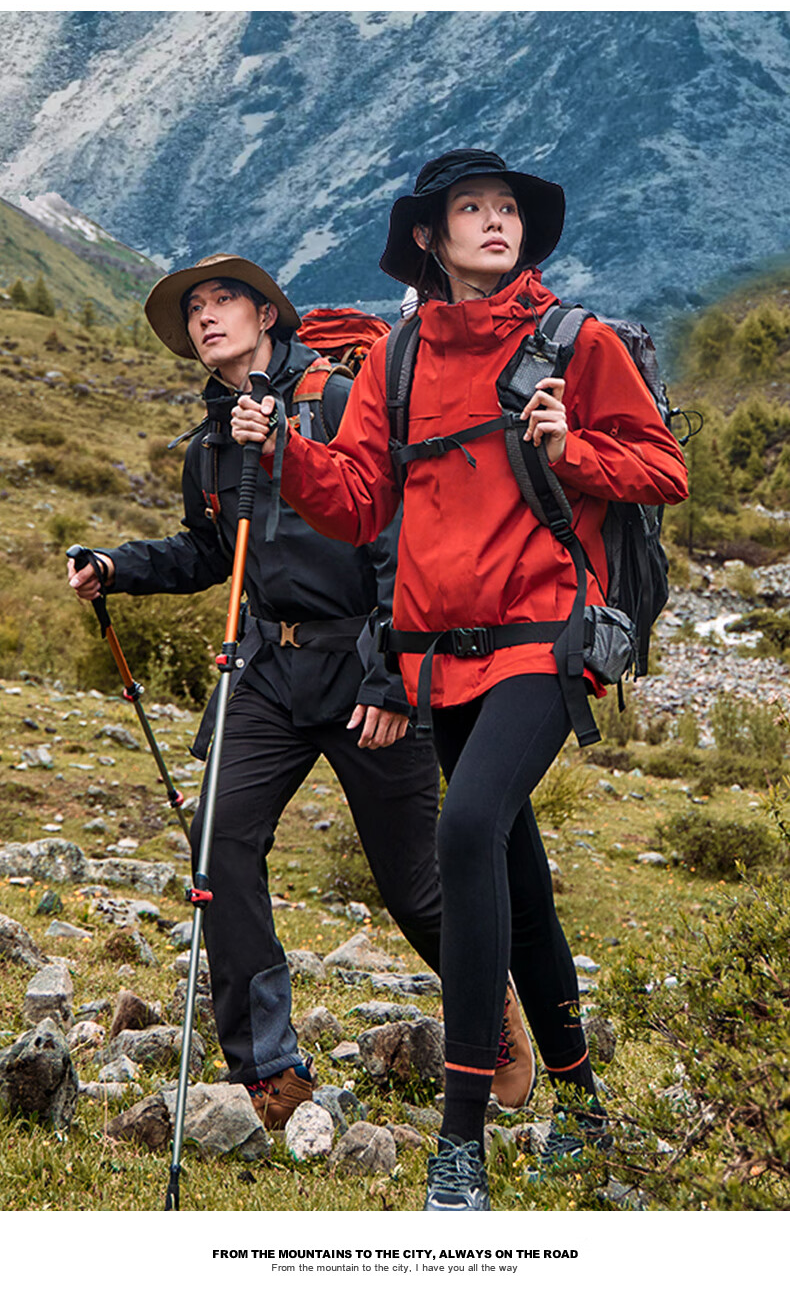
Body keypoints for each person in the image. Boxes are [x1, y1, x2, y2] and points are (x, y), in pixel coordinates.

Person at [230, 150, 689, 1209]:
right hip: (439, 658)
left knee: (465, 828)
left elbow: (660, 466)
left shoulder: (577, 341)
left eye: (507, 209)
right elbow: (353, 501)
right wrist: (281, 452)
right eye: (470, 210)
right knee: (516, 883)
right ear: (429, 241)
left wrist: (574, 448)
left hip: (546, 636)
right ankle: (580, 1108)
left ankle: (460, 1140)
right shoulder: (396, 361)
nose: (496, 222)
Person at [67, 252, 536, 1132]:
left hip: (366, 664)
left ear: (266, 316)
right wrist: (116, 567)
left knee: (418, 889)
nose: (207, 317)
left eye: (223, 301)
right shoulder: (211, 441)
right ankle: (270, 1070)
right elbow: (210, 552)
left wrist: (397, 672)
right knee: (218, 844)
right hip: (266, 673)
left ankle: (491, 1016)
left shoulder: (335, 402)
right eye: (195, 309)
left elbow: (404, 537)